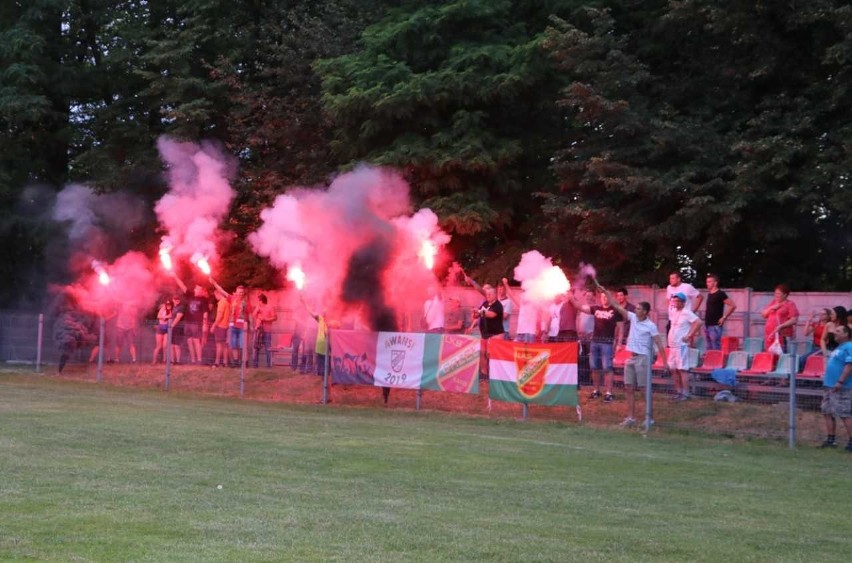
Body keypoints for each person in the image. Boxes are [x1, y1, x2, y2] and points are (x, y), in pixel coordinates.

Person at [598, 283, 666, 427]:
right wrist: (607, 293)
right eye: (637, 308)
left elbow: (659, 344)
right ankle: (631, 418)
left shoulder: (651, 326)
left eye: (639, 308)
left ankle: (649, 417)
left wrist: (664, 361)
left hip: (643, 358)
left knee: (643, 388)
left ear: (645, 312)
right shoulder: (633, 317)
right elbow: (617, 306)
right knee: (628, 387)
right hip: (631, 358)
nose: (636, 309)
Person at [571, 289, 624, 402]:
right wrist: (571, 296)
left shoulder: (616, 311)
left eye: (606, 297)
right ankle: (596, 390)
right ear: (600, 298)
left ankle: (609, 393)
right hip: (594, 342)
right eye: (602, 297)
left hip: (607, 343)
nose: (604, 299)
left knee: (607, 368)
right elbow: (580, 307)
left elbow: (621, 328)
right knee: (594, 367)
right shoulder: (596, 309)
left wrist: (619, 343)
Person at [818, 325, 852, 451]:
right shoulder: (839, 348)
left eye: (838, 331)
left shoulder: (849, 347)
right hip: (829, 385)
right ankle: (831, 439)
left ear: (846, 334)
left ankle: (851, 442)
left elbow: (850, 365)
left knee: (844, 413)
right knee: (826, 411)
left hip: (842, 386)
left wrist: (840, 381)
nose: (834, 333)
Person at [209, 278, 252, 366]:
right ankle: (236, 362)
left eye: (242, 292)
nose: (240, 294)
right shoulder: (232, 298)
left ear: (243, 293)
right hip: (232, 325)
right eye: (239, 292)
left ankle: (245, 362)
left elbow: (250, 314)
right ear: (236, 292)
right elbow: (221, 291)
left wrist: (251, 325)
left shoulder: (246, 302)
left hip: (242, 326)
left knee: (243, 345)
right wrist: (214, 283)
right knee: (234, 345)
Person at [667, 292, 703, 400]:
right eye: (675, 300)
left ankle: (685, 393)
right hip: (672, 346)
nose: (676, 303)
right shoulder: (673, 311)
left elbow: (699, 322)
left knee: (682, 369)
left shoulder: (687, 312)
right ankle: (679, 391)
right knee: (673, 368)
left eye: (678, 301)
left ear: (683, 302)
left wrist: (689, 335)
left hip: (681, 346)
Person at [760, 284, 799, 353]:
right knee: (770, 354)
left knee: (781, 354)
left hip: (782, 334)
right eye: (775, 293)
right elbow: (763, 315)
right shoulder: (773, 302)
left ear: (785, 295)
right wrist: (772, 308)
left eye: (778, 293)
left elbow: (794, 319)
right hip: (770, 334)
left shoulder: (790, 304)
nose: (776, 295)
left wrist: (781, 326)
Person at [703, 274, 737, 351]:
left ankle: (716, 362)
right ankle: (710, 362)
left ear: (715, 283)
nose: (707, 283)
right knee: (709, 347)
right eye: (707, 282)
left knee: (715, 347)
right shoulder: (709, 294)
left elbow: (733, 305)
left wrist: (724, 317)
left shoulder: (720, 294)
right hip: (707, 324)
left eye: (709, 282)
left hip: (715, 325)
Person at [501, 278, 537, 343]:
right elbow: (512, 295)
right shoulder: (522, 303)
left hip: (529, 332)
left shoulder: (534, 299)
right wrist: (506, 284)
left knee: (528, 351)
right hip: (520, 331)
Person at [253, 293, 278, 368]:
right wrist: (257, 310)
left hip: (267, 330)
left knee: (267, 347)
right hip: (258, 329)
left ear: (262, 301)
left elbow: (275, 318)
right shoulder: (258, 307)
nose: (258, 302)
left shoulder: (270, 307)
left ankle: (268, 365)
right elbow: (254, 315)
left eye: (258, 301)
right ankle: (255, 365)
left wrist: (266, 319)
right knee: (256, 347)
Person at [209, 288, 231, 368]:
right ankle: (225, 363)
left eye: (215, 295)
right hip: (226, 326)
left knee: (218, 345)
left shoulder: (221, 302)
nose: (215, 297)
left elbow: (220, 316)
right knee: (225, 345)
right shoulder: (227, 302)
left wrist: (214, 325)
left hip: (220, 326)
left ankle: (217, 362)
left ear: (218, 294)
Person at [152, 297, 172, 364]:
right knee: (158, 346)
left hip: (166, 328)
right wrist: (166, 317)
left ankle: (164, 360)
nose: (168, 305)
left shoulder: (171, 310)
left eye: (169, 304)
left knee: (165, 346)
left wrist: (168, 316)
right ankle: (154, 360)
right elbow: (158, 316)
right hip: (160, 327)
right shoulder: (163, 309)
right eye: (167, 304)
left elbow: (171, 316)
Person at [169, 293, 186, 364]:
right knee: (172, 345)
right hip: (172, 328)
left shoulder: (181, 307)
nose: (177, 300)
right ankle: (173, 361)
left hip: (178, 328)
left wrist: (172, 326)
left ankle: (178, 361)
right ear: (173, 300)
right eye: (175, 299)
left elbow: (178, 317)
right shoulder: (174, 307)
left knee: (177, 345)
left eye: (178, 299)